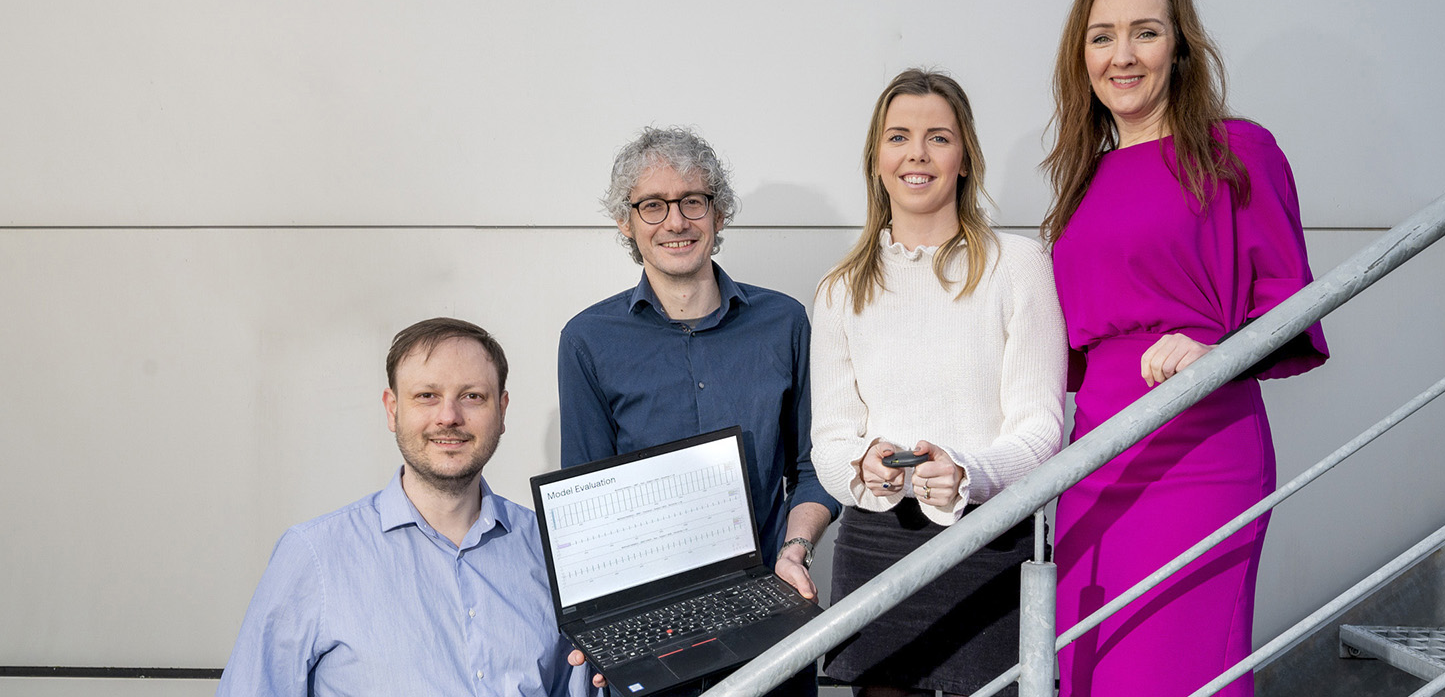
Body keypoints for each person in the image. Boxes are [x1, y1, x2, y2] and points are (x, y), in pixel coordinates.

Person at [1043, 0, 1331, 697]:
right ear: (1083, 57)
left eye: (1145, 32)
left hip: (1202, 447)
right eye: (1102, 37)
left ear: (1178, 47)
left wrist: (1217, 351)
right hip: (1096, 455)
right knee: (1089, 667)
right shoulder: (1082, 180)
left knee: (1179, 668)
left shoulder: (1239, 151)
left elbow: (1290, 298)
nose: (1123, 54)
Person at [810, 68, 1067, 697]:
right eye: (898, 137)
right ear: (876, 158)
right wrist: (860, 466)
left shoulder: (1019, 266)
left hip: (991, 540)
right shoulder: (841, 289)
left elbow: (1044, 429)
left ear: (966, 158)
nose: (916, 154)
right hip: (875, 545)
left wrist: (968, 471)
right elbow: (830, 440)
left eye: (938, 137)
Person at [557, 126, 839, 696]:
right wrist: (602, 627)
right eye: (652, 206)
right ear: (626, 224)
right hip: (652, 624)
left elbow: (816, 468)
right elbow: (585, 502)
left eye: (693, 200)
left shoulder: (785, 323)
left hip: (768, 601)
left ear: (719, 213)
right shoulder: (587, 340)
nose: (676, 221)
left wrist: (796, 550)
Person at [217, 317, 596, 696]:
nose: (449, 416)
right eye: (427, 395)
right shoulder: (314, 556)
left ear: (502, 411)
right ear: (392, 409)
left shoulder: (551, 551)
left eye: (472, 396)